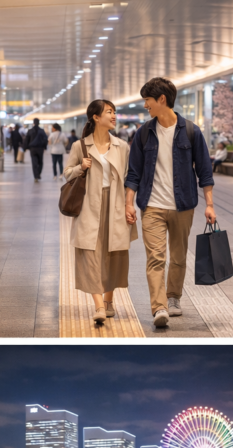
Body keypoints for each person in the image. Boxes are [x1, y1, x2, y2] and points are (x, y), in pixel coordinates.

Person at [124, 76, 215, 329]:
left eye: (147, 100)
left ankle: (173, 297)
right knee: (155, 258)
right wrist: (129, 203)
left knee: (178, 257)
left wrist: (209, 204)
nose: (145, 106)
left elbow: (205, 171)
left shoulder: (191, 131)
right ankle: (159, 307)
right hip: (151, 205)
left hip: (183, 205)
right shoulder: (144, 133)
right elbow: (133, 173)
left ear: (162, 100)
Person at [63, 99, 137, 324]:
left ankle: (109, 300)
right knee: (91, 254)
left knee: (113, 253)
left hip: (115, 204)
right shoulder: (80, 146)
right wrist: (80, 167)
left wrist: (129, 204)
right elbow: (67, 173)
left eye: (114, 112)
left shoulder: (122, 146)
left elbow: (129, 178)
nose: (114, 116)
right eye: (109, 112)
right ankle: (98, 306)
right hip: (89, 206)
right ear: (96, 117)